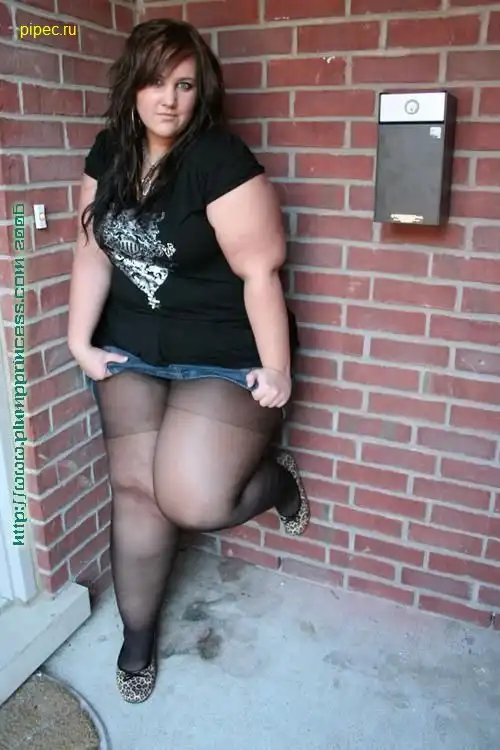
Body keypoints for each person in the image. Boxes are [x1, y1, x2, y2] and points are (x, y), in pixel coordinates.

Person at [68, 17, 310, 704]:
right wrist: (79, 341)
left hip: (222, 352)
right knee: (136, 492)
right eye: (155, 82)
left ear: (202, 91)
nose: (169, 99)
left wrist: (278, 369)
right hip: (132, 346)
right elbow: (91, 251)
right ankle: (138, 637)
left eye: (184, 84)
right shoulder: (109, 152)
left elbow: (260, 272)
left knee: (194, 498)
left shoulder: (218, 159)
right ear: (132, 85)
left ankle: (277, 483)